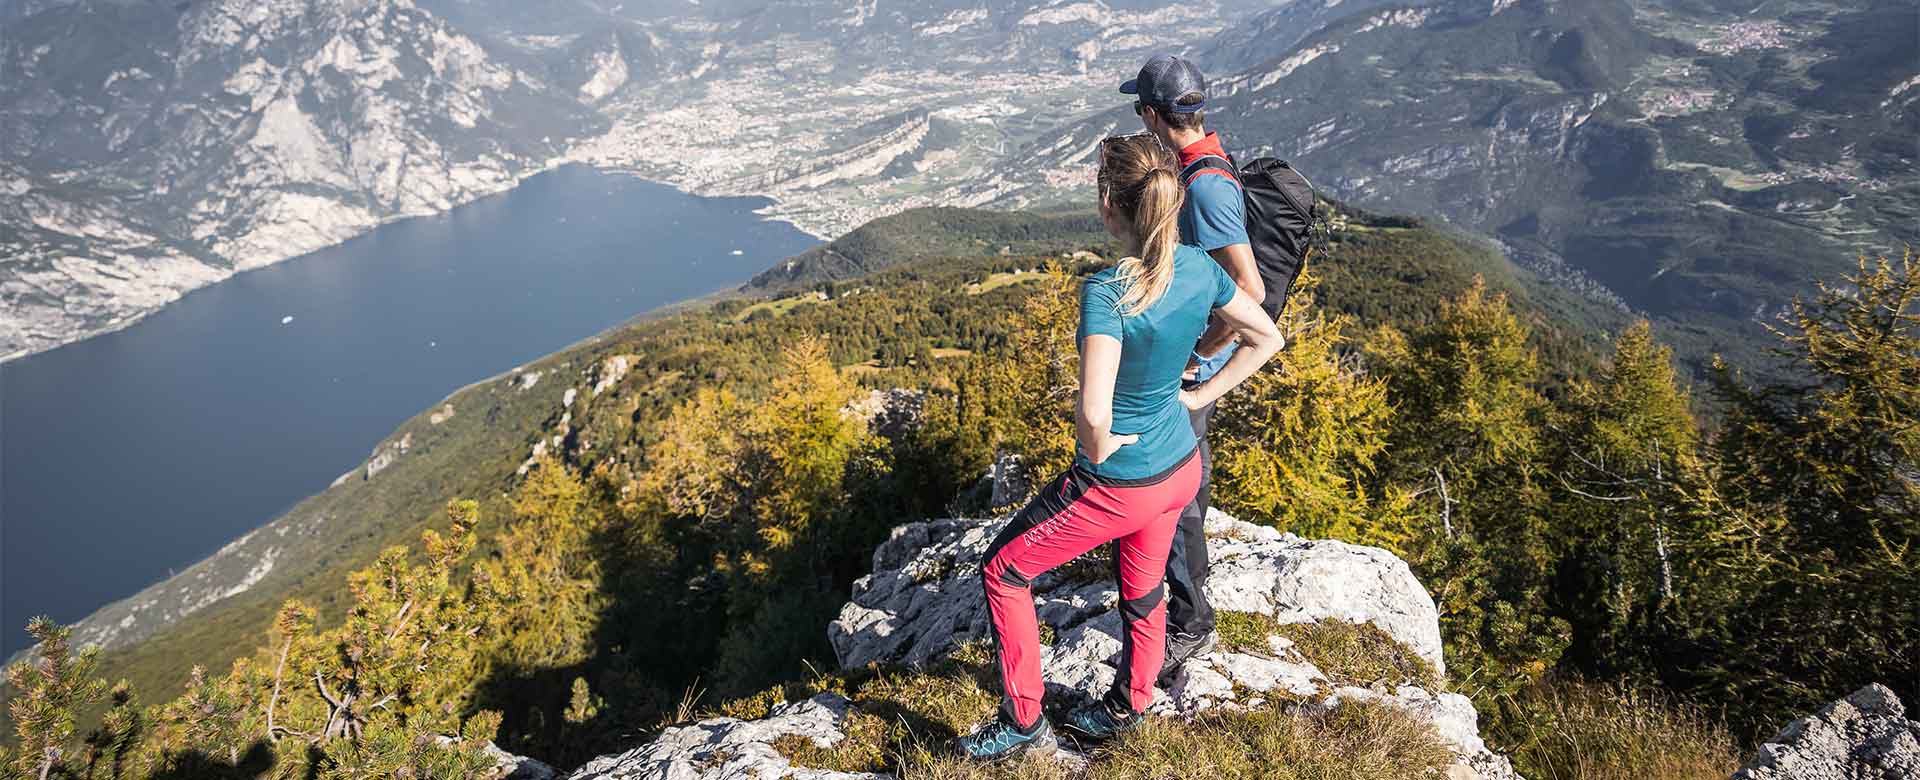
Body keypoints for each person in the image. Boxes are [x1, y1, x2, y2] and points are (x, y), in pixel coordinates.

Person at [955, 133, 1284, 761]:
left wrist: (1099, 450)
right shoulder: (1199, 268)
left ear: (1110, 205)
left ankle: (1023, 722)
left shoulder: (1109, 293)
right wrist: (1196, 396)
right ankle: (1129, 707)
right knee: (1143, 590)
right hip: (1179, 467)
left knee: (1004, 569)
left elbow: (1094, 411)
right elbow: (1265, 336)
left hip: (1121, 481)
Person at [1123, 52, 1262, 679]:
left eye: (1139, 110)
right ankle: (1187, 597)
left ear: (1154, 114)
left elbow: (1248, 288)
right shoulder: (1203, 159)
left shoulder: (1204, 183)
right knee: (1186, 485)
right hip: (1193, 358)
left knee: (1173, 493)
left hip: (1193, 365)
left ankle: (1189, 619)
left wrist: (1197, 358)